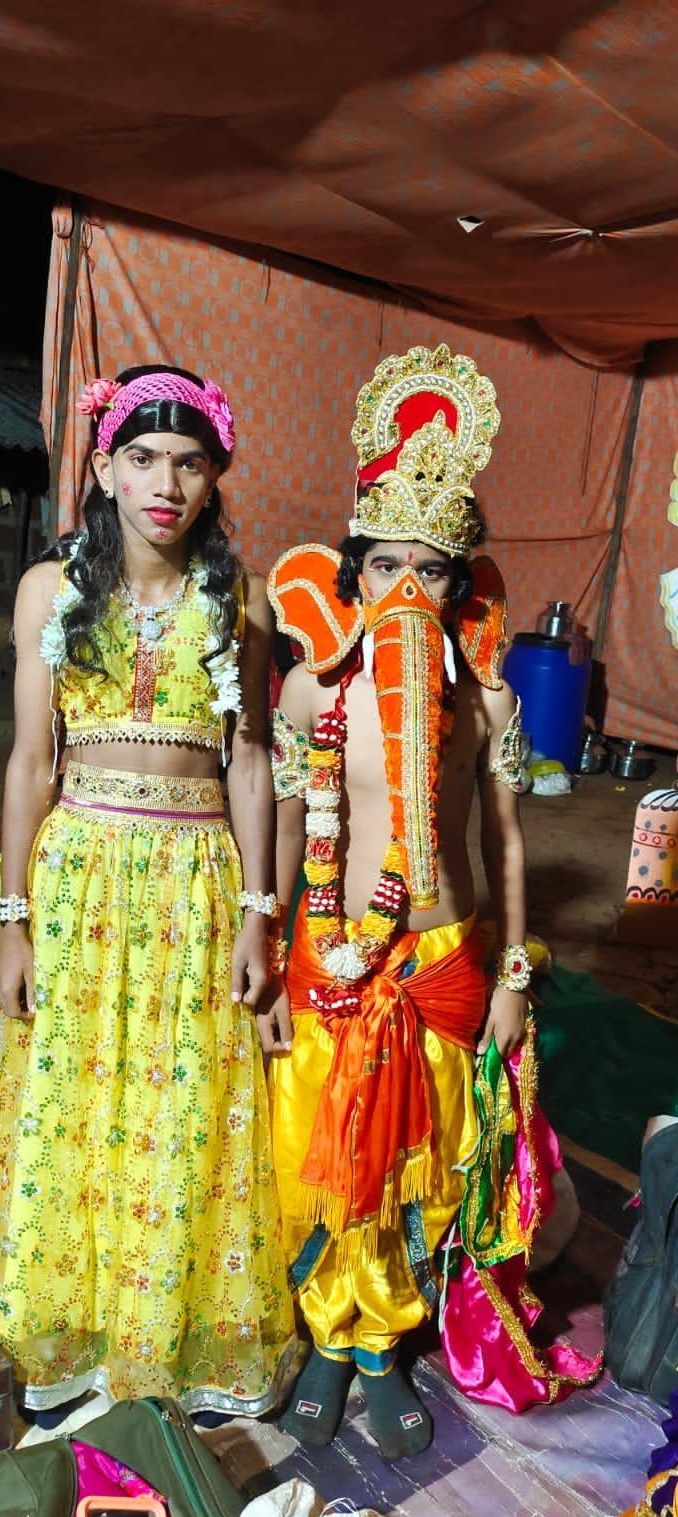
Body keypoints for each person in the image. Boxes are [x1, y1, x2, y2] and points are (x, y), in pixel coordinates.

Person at [265, 344, 599, 1461]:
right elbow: (285, 832)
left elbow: (505, 842)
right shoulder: (311, 690)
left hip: (446, 954)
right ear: (349, 576)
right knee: (328, 1152)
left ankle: (385, 1347)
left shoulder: (488, 704)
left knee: (429, 1153)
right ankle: (329, 1336)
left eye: (432, 569)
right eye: (384, 564)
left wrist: (512, 979)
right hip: (332, 954)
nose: (406, 587)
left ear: (464, 589)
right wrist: (267, 953)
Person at [0, 365, 294, 1421]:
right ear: (104, 468)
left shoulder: (239, 598)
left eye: (189, 463)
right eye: (142, 457)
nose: (165, 483)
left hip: (196, 880)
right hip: (79, 875)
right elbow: (29, 762)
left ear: (214, 477)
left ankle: (164, 1332)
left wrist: (259, 915)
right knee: (71, 1094)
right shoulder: (50, 590)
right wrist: (12, 920)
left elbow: (249, 762)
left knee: (181, 1102)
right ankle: (65, 1330)